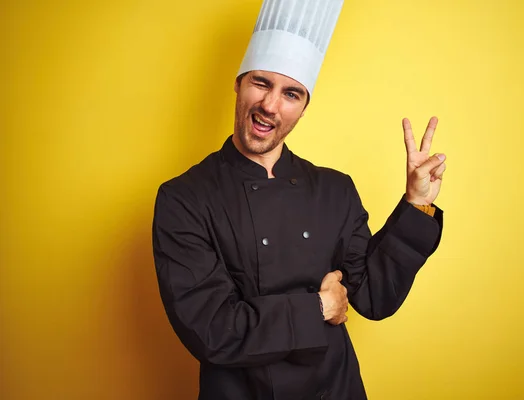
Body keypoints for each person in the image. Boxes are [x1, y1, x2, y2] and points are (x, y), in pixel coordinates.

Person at [152, 1, 446, 399]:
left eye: (291, 93)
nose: (270, 105)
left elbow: (375, 297)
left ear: (304, 108)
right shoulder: (184, 198)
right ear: (238, 83)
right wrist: (318, 309)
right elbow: (213, 330)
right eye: (261, 83)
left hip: (335, 389)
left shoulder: (335, 190)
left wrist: (416, 204)